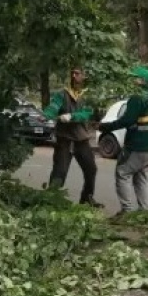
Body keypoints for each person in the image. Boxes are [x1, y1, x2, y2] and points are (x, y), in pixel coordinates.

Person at [98, 66, 148, 214]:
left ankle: (126, 210)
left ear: (141, 81)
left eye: (134, 78)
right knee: (140, 176)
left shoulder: (136, 98)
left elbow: (127, 120)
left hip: (137, 145)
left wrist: (105, 127)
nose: (131, 81)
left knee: (122, 173)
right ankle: (144, 211)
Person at [43, 66, 103, 207]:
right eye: (74, 73)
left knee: (91, 169)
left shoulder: (88, 96)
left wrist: (71, 116)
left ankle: (87, 199)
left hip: (81, 140)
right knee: (60, 171)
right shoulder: (62, 94)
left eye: (78, 73)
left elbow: (87, 114)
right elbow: (52, 107)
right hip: (64, 139)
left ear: (84, 76)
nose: (75, 75)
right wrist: (47, 115)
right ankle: (50, 201)